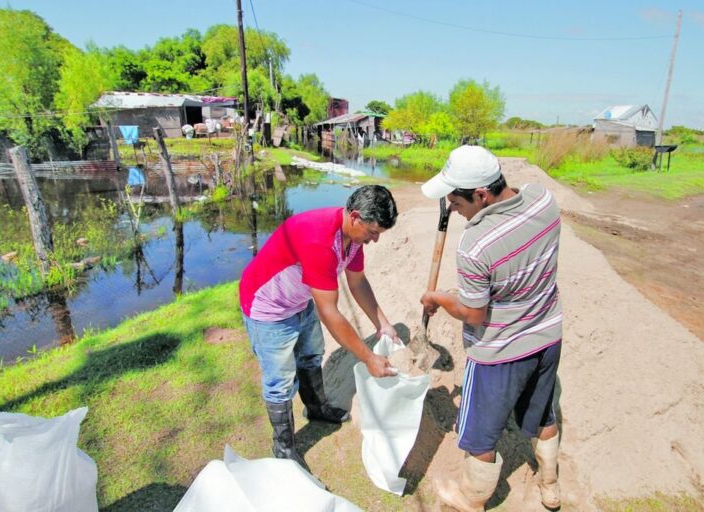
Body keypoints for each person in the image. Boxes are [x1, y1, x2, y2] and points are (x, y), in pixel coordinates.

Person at [419, 146, 563, 512]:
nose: (452, 207)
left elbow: (474, 313)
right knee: (542, 411)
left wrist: (439, 297)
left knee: (481, 434)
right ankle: (550, 484)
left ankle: (472, 499)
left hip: (500, 351)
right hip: (547, 335)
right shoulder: (543, 200)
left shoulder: (476, 243)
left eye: (456, 199)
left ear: (481, 194)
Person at [239, 185, 400, 471]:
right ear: (354, 216)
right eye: (372, 232)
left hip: (300, 299)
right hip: (269, 308)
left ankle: (316, 409)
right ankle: (284, 447)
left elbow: (358, 282)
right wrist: (369, 358)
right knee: (280, 379)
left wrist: (382, 324)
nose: (374, 240)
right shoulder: (320, 240)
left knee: (312, 354)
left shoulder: (353, 239)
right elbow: (330, 312)